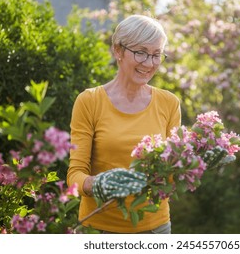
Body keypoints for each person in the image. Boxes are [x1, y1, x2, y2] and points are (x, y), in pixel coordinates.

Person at [67, 14, 181, 234]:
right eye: (141, 53)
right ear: (118, 50)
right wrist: (97, 184)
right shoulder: (89, 101)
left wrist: (197, 157)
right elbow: (75, 176)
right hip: (98, 228)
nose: (149, 63)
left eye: (156, 55)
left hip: (154, 229)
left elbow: (169, 177)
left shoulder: (169, 103)